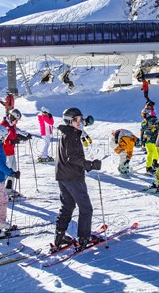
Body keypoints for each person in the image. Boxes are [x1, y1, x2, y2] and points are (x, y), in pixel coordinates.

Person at [54, 108, 102, 251]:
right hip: (73, 176)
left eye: (81, 119)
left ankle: (60, 236)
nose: (80, 122)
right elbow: (72, 157)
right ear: (70, 120)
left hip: (63, 175)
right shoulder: (71, 135)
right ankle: (84, 237)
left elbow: (70, 156)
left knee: (68, 205)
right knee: (86, 207)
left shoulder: (67, 133)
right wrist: (90, 165)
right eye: (77, 120)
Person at [0, 109, 31, 197]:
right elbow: (2, 140)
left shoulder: (11, 125)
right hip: (5, 153)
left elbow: (13, 135)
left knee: (13, 170)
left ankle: (9, 189)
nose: (16, 122)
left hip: (11, 151)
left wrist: (23, 137)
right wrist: (12, 142)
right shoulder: (4, 126)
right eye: (16, 120)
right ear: (11, 117)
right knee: (6, 171)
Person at [140, 108, 159, 174]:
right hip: (151, 139)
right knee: (152, 151)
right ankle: (150, 166)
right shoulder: (154, 120)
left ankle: (153, 164)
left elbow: (142, 130)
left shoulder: (147, 121)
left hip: (150, 138)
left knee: (153, 151)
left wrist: (142, 138)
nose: (143, 116)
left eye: (144, 114)